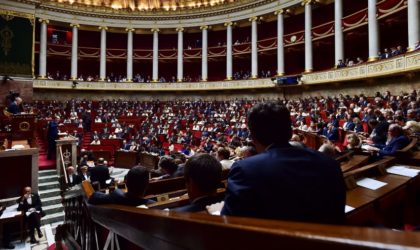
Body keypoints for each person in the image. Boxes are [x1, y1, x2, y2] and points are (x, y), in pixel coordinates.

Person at [221, 102, 346, 224]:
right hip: (328, 241)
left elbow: (229, 223)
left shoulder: (244, 170)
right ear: (290, 132)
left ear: (253, 136)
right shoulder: (329, 163)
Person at [88, 166, 154, 206]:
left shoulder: (116, 195)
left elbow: (94, 196)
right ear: (147, 185)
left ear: (126, 182)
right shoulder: (152, 205)